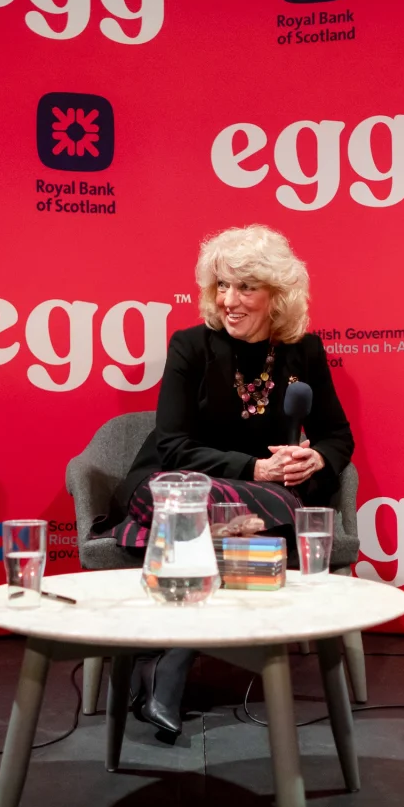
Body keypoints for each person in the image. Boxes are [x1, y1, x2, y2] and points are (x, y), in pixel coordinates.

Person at [93, 225, 354, 738]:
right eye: (221, 287)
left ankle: (168, 660)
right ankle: (170, 662)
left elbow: (337, 436)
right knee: (194, 499)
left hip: (260, 493)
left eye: (245, 288)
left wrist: (316, 462)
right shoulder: (191, 346)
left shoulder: (304, 352)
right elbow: (171, 445)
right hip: (177, 481)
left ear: (277, 296)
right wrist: (254, 469)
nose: (228, 301)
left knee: (260, 505)